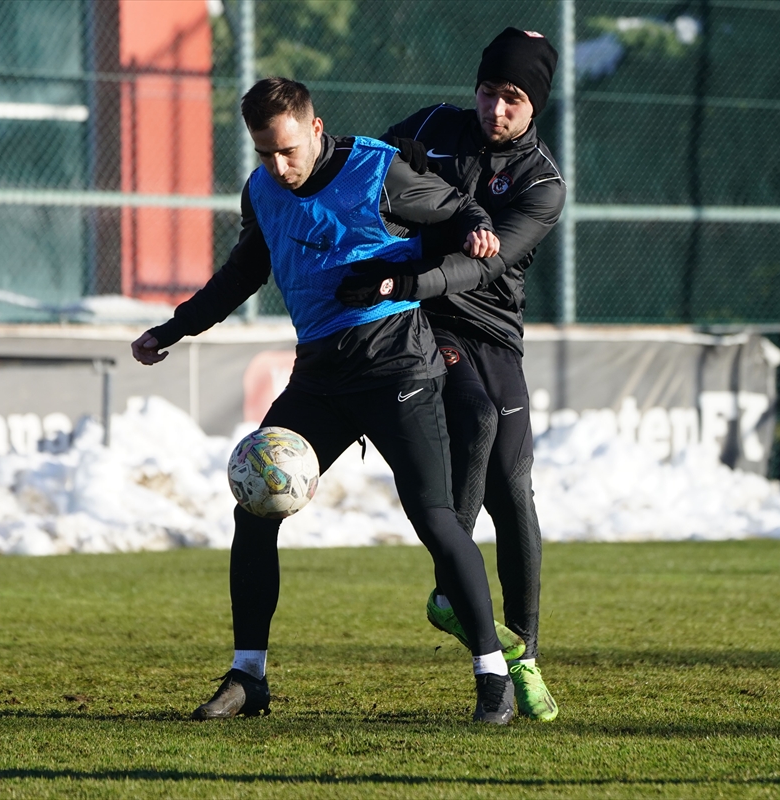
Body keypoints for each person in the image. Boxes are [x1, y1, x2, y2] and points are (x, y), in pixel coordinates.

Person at [132, 77, 519, 724]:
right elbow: (244, 272)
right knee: (253, 509)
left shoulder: (375, 169)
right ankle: (248, 675)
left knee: (433, 515)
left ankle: (493, 676)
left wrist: (478, 228)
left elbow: (458, 211)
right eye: (264, 153)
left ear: (315, 129)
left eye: (287, 149)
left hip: (397, 363)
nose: (277, 167)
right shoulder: (262, 191)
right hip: (319, 378)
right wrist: (173, 329)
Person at [336, 28, 566, 721]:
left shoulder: (541, 184)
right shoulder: (431, 127)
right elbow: (366, 172)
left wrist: (409, 275)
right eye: (492, 92)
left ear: (536, 108)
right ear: (476, 88)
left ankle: (524, 653)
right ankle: (449, 591)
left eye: (515, 99)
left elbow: (485, 266)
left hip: (488, 326)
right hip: (418, 318)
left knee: (515, 486)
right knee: (478, 416)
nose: (498, 109)